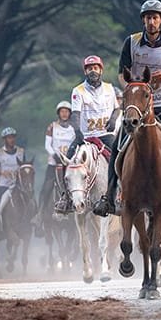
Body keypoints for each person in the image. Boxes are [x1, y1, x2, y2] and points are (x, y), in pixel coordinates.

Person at [92, 0, 161, 219]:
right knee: (117, 146)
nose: (151, 22)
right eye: (147, 18)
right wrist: (133, 89)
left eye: (155, 18)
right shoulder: (131, 42)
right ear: (143, 21)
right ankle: (109, 196)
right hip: (137, 103)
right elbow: (120, 73)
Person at [54, 54, 120, 213]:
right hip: (86, 135)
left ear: (101, 70)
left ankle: (120, 195)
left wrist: (112, 119)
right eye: (89, 68)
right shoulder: (78, 91)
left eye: (96, 68)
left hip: (105, 134)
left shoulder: (109, 89)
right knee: (67, 161)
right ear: (85, 71)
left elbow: (117, 108)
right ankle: (65, 198)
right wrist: (77, 132)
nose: (93, 71)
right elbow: (75, 114)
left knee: (121, 158)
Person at [34, 101, 75, 228]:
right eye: (62, 111)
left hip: (69, 163)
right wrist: (54, 155)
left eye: (67, 111)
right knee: (47, 187)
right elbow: (47, 144)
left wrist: (71, 157)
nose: (64, 114)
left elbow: (76, 143)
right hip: (54, 163)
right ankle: (40, 214)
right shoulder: (52, 126)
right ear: (58, 113)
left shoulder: (74, 127)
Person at [0, 126, 25, 236]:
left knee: (31, 201)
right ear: (4, 139)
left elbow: (24, 166)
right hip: (4, 185)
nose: (12, 140)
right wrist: (1, 172)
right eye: (9, 138)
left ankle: (35, 222)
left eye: (13, 137)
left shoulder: (21, 151)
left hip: (18, 185)